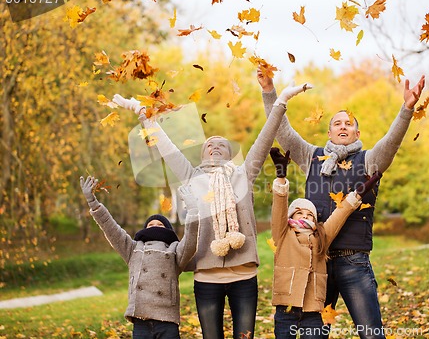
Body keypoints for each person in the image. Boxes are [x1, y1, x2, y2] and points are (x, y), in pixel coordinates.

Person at [112, 76, 312, 339]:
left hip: (244, 275)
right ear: (202, 154)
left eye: (221, 146)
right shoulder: (191, 176)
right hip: (206, 277)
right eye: (210, 145)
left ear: (229, 154)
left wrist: (281, 100)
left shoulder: (244, 174)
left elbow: (265, 137)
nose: (215, 147)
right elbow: (166, 147)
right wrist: (143, 115)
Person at [258, 71, 425, 339]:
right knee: (316, 335)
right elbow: (283, 131)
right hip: (316, 261)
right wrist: (269, 91)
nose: (343, 126)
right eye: (337, 123)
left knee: (371, 334)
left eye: (349, 123)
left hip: (353, 262)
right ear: (329, 131)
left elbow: (391, 143)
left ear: (357, 132)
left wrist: (406, 109)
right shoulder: (311, 156)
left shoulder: (369, 160)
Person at [268, 147, 382, 339]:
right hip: (286, 308)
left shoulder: (321, 236)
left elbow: (340, 214)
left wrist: (358, 194)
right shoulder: (283, 234)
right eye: (299, 213)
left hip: (314, 310)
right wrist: (281, 177)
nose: (305, 216)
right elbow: (279, 206)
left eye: (309, 214)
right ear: (290, 217)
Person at [80, 176, 199, 339]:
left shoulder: (175, 250)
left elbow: (191, 240)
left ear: (168, 230)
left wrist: (193, 212)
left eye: (160, 225)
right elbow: (111, 228)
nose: (155, 227)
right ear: (144, 229)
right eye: (151, 225)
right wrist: (93, 203)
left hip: (167, 321)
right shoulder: (133, 248)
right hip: (140, 322)